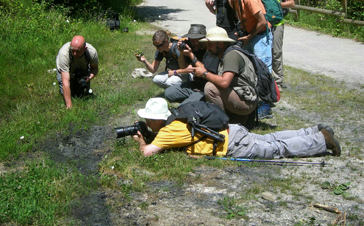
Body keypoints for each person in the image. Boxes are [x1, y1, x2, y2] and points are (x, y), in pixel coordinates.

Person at [132, 98, 341, 159]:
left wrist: (142, 141)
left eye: (149, 119)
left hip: (231, 145)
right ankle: (313, 130)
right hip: (233, 131)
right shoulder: (178, 115)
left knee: (277, 149)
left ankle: (321, 140)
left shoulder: (169, 131)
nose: (148, 123)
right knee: (269, 138)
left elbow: (147, 153)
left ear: (158, 119)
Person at [219, 0, 274, 120]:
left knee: (263, 70)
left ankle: (266, 106)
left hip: (260, 37)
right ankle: (254, 103)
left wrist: (249, 37)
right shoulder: (233, 0)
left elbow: (262, 22)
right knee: (250, 70)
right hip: (250, 36)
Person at [192, 27, 258, 126]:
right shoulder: (225, 54)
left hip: (247, 102)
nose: (207, 48)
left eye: (210, 45)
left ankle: (219, 124)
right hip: (241, 95)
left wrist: (204, 74)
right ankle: (233, 119)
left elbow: (224, 83)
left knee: (210, 88)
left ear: (221, 44)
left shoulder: (231, 56)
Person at [248, 0, 295, 91]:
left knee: (276, 52)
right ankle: (262, 79)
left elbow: (291, 2)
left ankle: (278, 82)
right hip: (262, 23)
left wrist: (275, 4)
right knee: (261, 51)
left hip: (277, 22)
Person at [164, 24, 219, 104]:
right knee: (168, 93)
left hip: (206, 88)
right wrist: (181, 53)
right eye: (190, 39)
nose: (192, 42)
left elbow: (205, 70)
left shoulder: (210, 50)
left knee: (185, 106)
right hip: (195, 84)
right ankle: (193, 99)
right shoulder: (192, 47)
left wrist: (191, 55)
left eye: (194, 40)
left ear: (203, 39)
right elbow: (183, 67)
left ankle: (195, 102)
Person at [56, 35, 99, 109]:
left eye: (78, 51)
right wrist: (69, 106)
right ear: (70, 46)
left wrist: (89, 77)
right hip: (66, 70)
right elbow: (65, 82)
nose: (75, 54)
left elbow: (94, 68)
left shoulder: (91, 52)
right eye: (73, 50)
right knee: (65, 91)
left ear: (85, 49)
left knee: (82, 94)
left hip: (82, 69)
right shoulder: (64, 54)